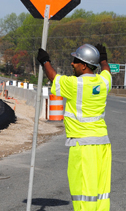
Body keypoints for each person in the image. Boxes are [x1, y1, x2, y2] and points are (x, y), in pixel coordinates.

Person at [37, 43, 112, 211]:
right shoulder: (104, 81)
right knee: (100, 191)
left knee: (83, 190)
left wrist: (45, 61)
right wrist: (104, 58)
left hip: (84, 147)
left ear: (84, 65)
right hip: (103, 146)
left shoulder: (75, 85)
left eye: (75, 61)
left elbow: (53, 77)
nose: (72, 63)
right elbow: (106, 69)